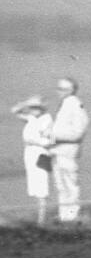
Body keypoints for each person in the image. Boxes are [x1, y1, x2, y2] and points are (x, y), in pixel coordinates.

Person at [50, 77, 89, 223]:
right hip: (58, 152)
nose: (59, 92)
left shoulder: (75, 104)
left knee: (70, 187)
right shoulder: (65, 104)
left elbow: (78, 132)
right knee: (61, 187)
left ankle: (71, 218)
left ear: (72, 90)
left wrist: (53, 136)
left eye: (63, 89)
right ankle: (64, 217)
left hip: (68, 152)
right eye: (58, 88)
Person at [10, 96, 54, 225]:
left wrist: (34, 141)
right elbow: (15, 111)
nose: (33, 110)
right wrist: (25, 103)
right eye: (32, 108)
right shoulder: (31, 118)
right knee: (34, 186)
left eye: (36, 108)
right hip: (29, 153)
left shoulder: (47, 120)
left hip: (40, 154)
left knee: (41, 187)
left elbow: (50, 141)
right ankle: (40, 217)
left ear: (42, 108)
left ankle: (42, 219)